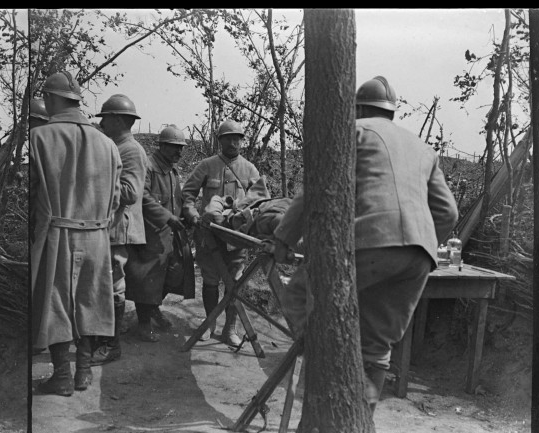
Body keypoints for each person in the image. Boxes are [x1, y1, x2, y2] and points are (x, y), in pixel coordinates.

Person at [272, 76, 458, 415]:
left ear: (356, 108)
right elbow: (448, 212)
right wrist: (421, 241)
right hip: (419, 256)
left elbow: (313, 190)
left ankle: (332, 380)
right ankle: (362, 422)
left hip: (371, 241)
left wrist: (284, 237)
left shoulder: (351, 133)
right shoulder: (423, 148)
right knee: (376, 339)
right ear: (392, 113)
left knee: (301, 294)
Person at [31, 71, 121, 396]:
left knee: (56, 301)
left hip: (58, 233)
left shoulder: (40, 137)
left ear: (52, 99)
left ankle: (62, 375)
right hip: (97, 235)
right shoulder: (109, 144)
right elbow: (118, 197)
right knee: (90, 300)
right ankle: (83, 372)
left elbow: (33, 192)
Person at [181, 120, 262, 347]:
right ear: (220, 140)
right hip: (210, 236)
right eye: (228, 138)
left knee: (235, 283)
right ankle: (210, 322)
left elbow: (261, 200)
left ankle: (230, 328)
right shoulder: (207, 165)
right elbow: (188, 194)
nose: (233, 142)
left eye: (237, 138)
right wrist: (192, 214)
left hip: (237, 238)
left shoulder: (249, 169)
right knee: (210, 280)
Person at [124, 125, 194, 342]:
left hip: (169, 235)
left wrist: (188, 214)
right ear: (161, 146)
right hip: (150, 234)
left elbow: (178, 200)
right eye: (174, 147)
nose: (179, 153)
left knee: (173, 274)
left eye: (181, 148)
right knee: (146, 280)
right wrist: (168, 218)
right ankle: (144, 324)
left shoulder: (172, 170)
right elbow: (142, 198)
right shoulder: (149, 167)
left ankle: (153, 308)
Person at [91, 94, 146, 364]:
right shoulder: (115, 145)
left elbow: (131, 192)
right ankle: (102, 338)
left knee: (113, 285)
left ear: (118, 120)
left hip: (117, 226)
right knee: (104, 283)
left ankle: (112, 345)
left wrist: (97, 178)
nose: (102, 124)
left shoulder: (131, 150)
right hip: (107, 225)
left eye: (106, 119)